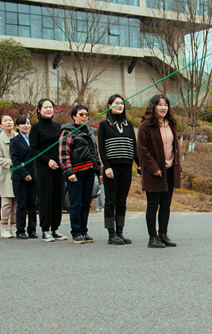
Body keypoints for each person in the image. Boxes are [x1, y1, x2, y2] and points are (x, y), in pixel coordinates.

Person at [138, 94, 182, 248]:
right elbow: (142, 150)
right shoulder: (146, 126)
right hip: (154, 172)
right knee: (152, 205)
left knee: (166, 205)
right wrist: (154, 168)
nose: (163, 107)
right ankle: (152, 237)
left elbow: (175, 148)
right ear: (153, 107)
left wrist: (178, 167)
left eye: (166, 104)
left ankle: (163, 234)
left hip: (170, 170)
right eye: (160, 104)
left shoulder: (171, 124)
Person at [97, 94, 140, 245]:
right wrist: (106, 166)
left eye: (122, 103)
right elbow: (101, 148)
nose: (120, 105)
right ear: (109, 106)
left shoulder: (129, 125)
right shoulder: (104, 125)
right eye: (116, 103)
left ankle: (120, 232)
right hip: (111, 168)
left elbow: (134, 147)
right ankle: (111, 234)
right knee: (111, 200)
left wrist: (138, 163)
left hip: (126, 167)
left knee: (122, 200)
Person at [59, 104, 103, 244]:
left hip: (89, 172)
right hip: (76, 173)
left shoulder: (90, 132)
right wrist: (69, 171)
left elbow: (95, 153)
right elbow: (63, 153)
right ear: (74, 116)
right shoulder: (68, 131)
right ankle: (76, 232)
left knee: (85, 204)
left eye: (86, 114)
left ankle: (84, 231)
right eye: (81, 114)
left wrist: (99, 171)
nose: (84, 116)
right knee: (76, 204)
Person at [29, 99, 68, 242]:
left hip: (58, 167)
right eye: (45, 107)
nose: (48, 109)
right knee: (46, 198)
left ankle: (55, 228)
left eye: (50, 107)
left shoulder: (58, 126)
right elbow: (33, 150)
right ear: (39, 110)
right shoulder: (36, 128)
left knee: (58, 198)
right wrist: (48, 161)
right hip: (43, 167)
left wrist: (60, 161)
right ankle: (45, 229)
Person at [10, 116, 37, 239]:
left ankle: (32, 229)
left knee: (32, 203)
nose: (26, 126)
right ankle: (20, 230)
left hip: (34, 176)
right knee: (21, 204)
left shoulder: (34, 139)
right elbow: (14, 160)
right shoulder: (14, 141)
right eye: (23, 124)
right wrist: (24, 173)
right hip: (20, 177)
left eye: (28, 123)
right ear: (17, 126)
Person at [0, 114, 18, 239]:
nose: (9, 122)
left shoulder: (18, 137)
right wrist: (11, 163)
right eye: (5, 121)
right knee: (7, 202)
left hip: (17, 173)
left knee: (16, 202)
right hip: (5, 174)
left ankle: (13, 227)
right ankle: (4, 227)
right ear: (1, 125)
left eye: (10, 120)